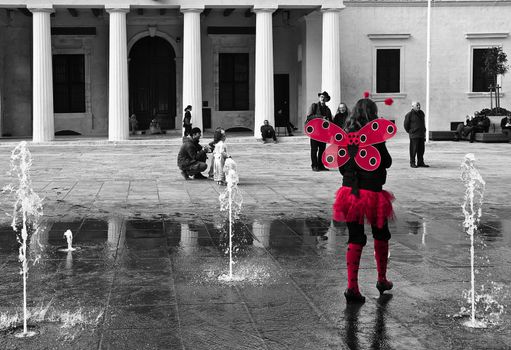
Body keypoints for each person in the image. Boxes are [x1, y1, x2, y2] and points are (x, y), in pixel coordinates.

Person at [334, 98, 395, 303]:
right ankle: (381, 279)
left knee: (355, 237)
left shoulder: (346, 136)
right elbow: (386, 161)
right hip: (372, 193)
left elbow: (341, 166)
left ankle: (352, 286)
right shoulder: (374, 136)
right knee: (381, 234)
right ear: (373, 114)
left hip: (350, 192)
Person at [306, 91, 332, 171]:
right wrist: (321, 117)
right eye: (321, 97)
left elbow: (331, 122)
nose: (323, 98)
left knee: (322, 150)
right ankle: (314, 165)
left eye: (324, 97)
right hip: (315, 132)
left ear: (327, 99)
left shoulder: (328, 110)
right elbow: (309, 117)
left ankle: (321, 165)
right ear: (319, 98)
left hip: (323, 133)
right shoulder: (314, 106)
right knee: (314, 149)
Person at [403, 101, 429, 168]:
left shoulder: (422, 113)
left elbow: (422, 122)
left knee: (421, 150)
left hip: (421, 134)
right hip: (414, 135)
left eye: (419, 105)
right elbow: (406, 125)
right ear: (412, 106)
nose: (419, 106)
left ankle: (420, 162)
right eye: (417, 105)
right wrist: (410, 131)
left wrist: (424, 130)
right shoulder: (409, 114)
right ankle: (412, 163)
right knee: (413, 150)